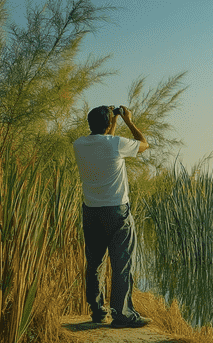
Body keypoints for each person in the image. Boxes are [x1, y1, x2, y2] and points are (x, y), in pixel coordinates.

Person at [73, 105, 151, 328]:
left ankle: (98, 311)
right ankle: (123, 315)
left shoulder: (79, 144)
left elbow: (106, 140)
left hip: (91, 211)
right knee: (121, 264)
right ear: (108, 125)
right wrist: (128, 120)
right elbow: (144, 144)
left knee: (95, 263)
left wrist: (111, 121)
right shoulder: (115, 145)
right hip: (117, 212)